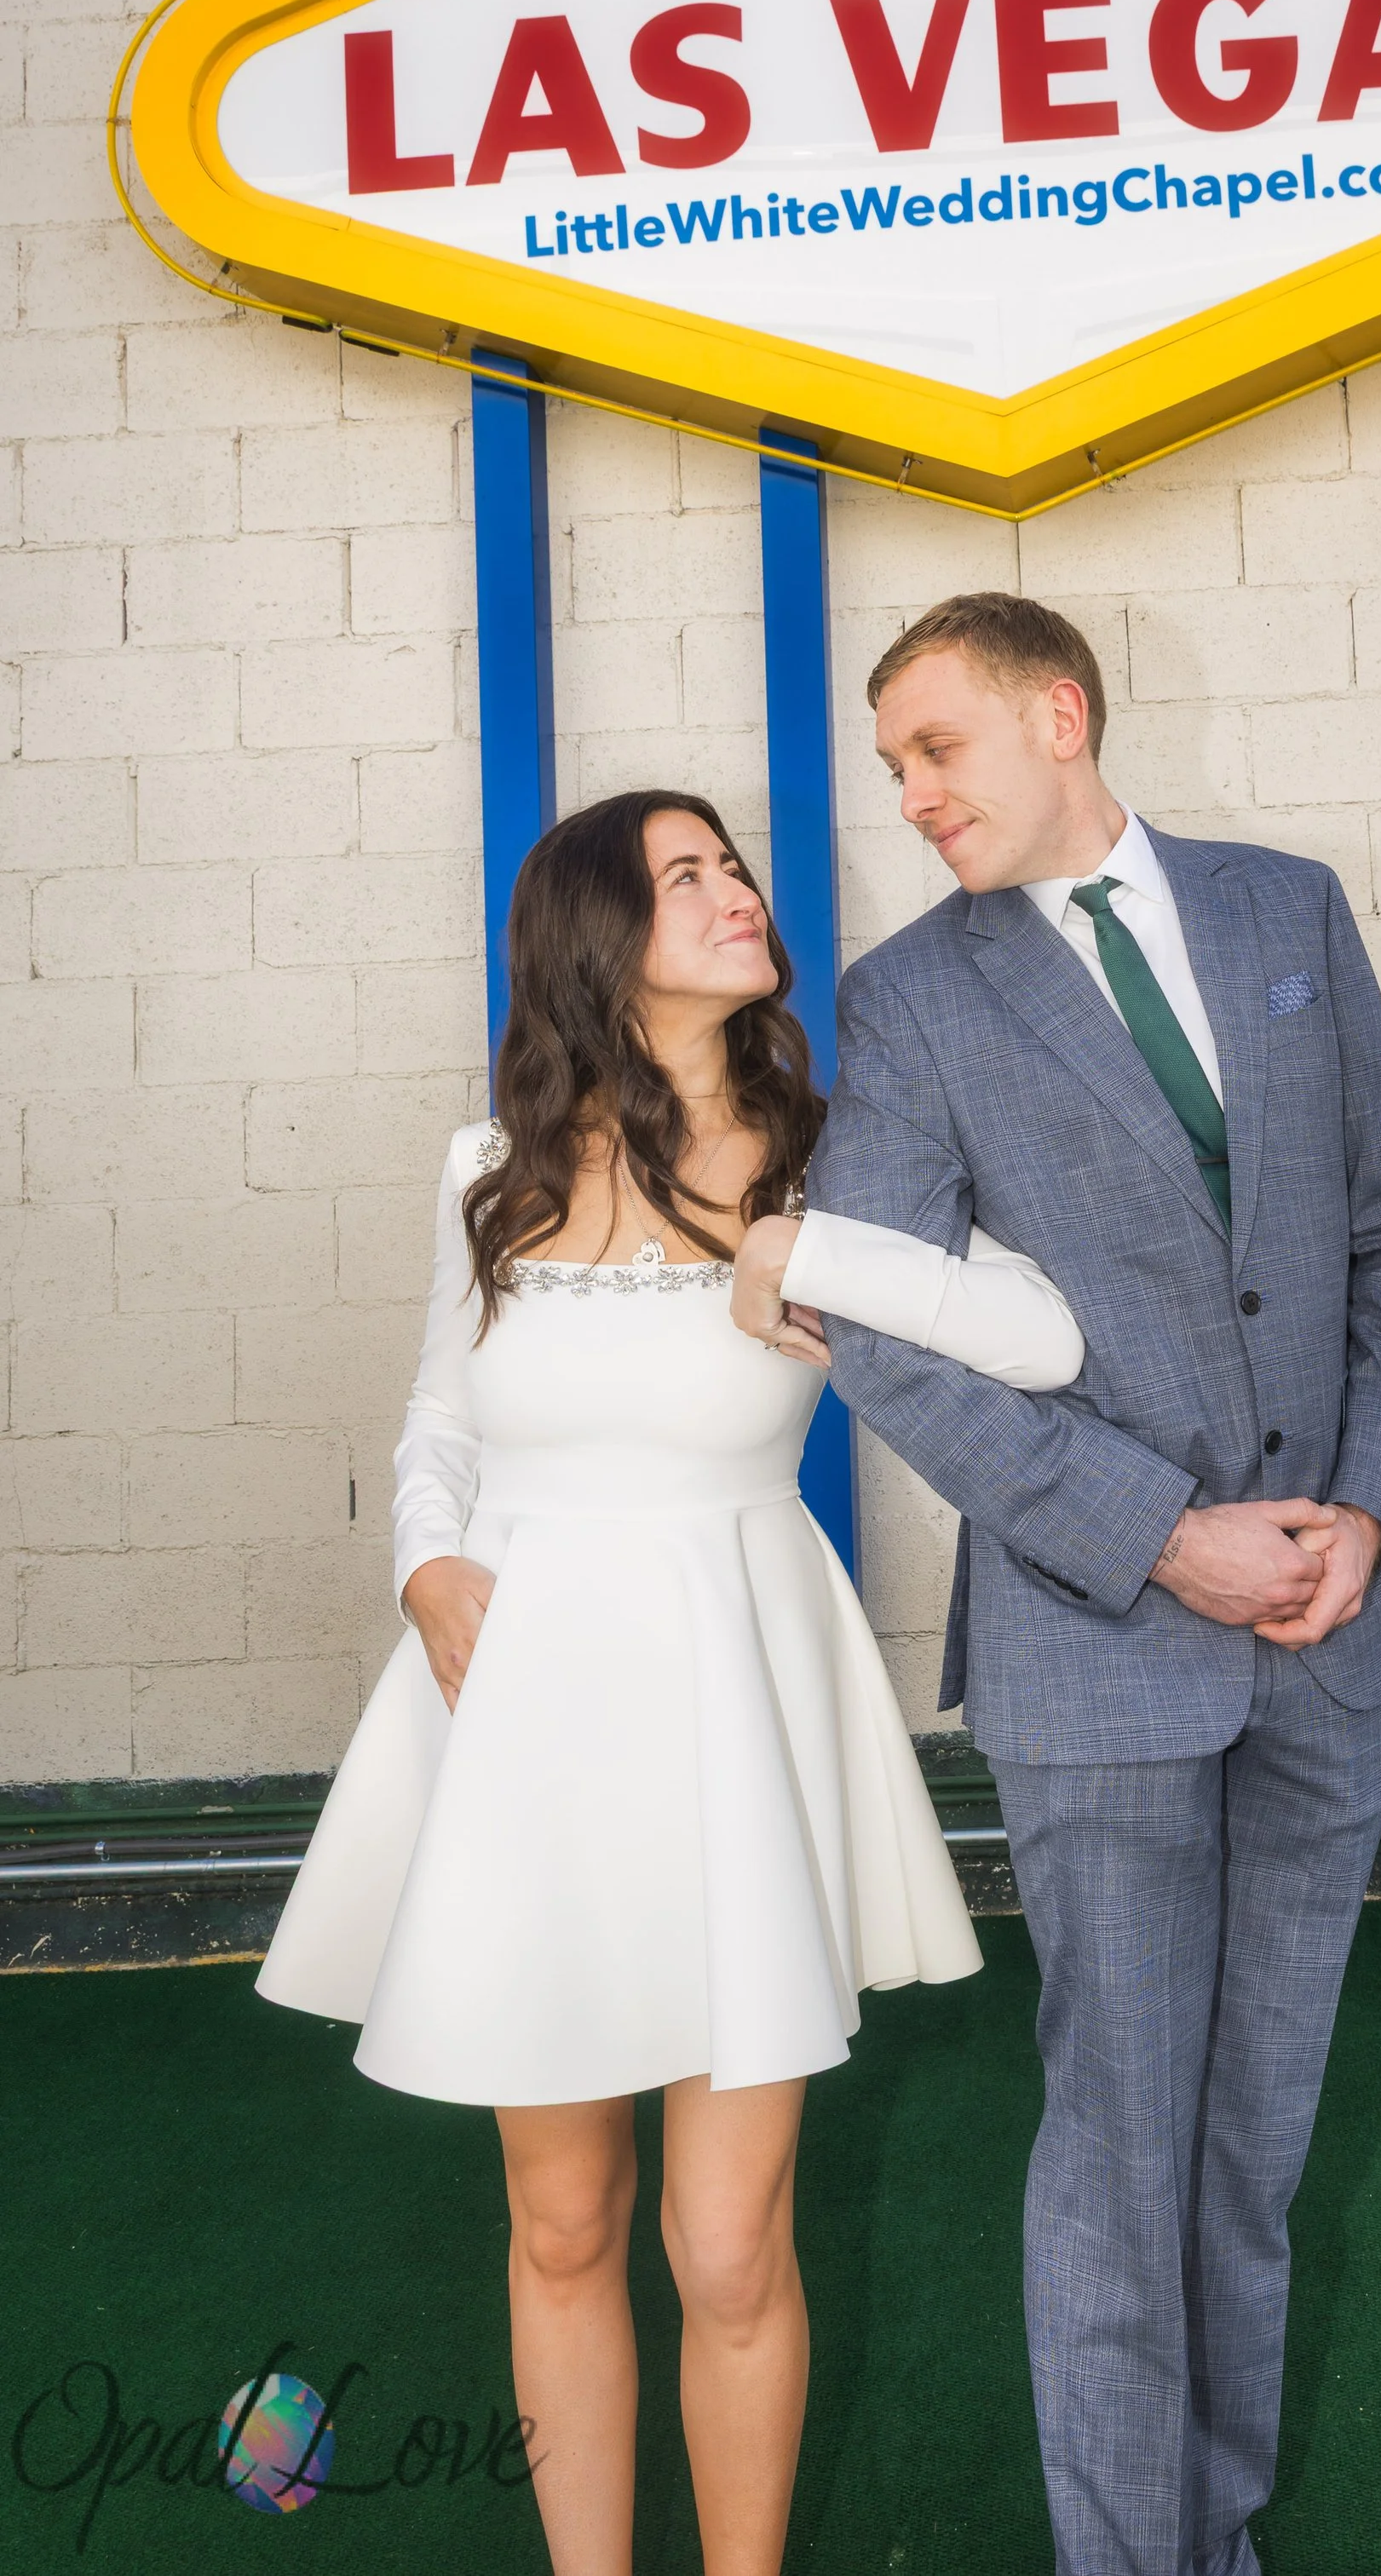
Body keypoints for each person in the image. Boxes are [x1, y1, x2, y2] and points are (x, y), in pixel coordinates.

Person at [257, 786, 1085, 2576]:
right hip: (523, 1715)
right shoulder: (486, 1170)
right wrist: (422, 1560)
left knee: (726, 2249)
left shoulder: (837, 1151)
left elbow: (1045, 1332)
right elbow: (439, 1414)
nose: (734, 892)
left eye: (733, 866)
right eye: (683, 875)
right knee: (561, 2229)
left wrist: (812, 1251)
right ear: (592, 943)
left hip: (733, 1691)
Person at [751, 593, 1381, 2576]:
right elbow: (877, 1330)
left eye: (934, 748)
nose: (907, 795)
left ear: (1056, 715)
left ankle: (1205, 2544)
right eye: (891, 764)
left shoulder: (1286, 914)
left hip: (1326, 1643)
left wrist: (1368, 1516)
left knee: (1246, 2168)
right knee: (1122, 2160)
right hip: (1100, 1654)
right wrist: (1163, 1535)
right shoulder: (907, 1005)